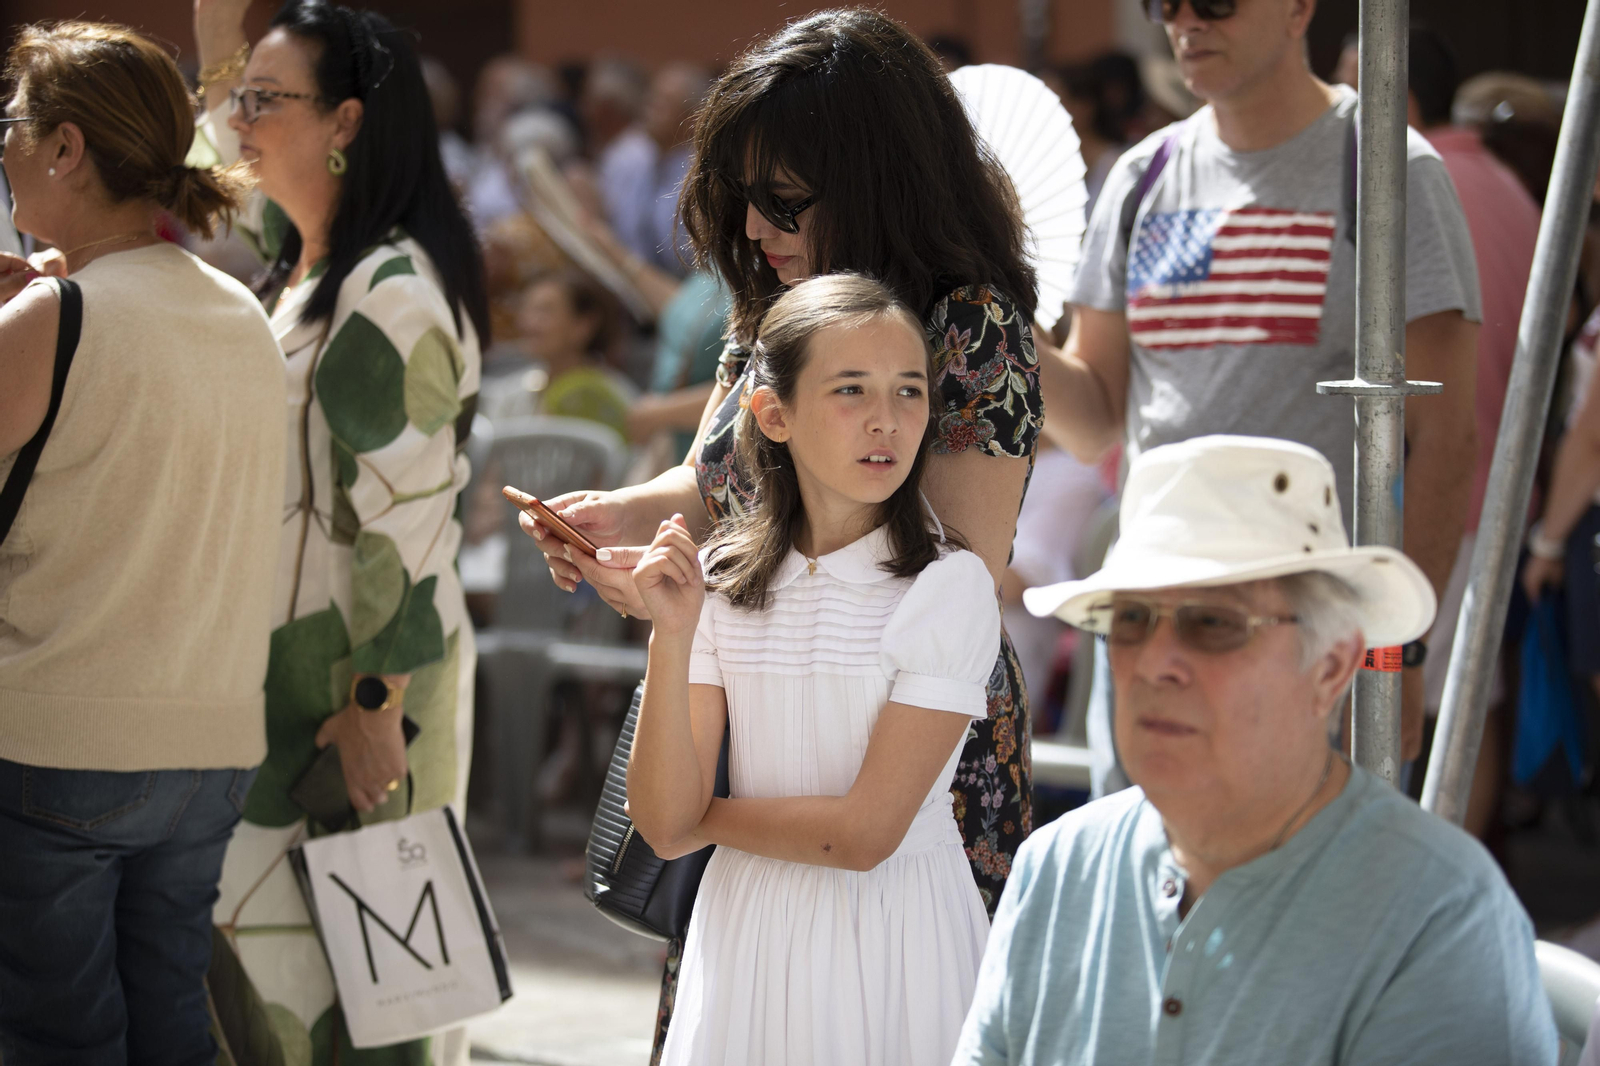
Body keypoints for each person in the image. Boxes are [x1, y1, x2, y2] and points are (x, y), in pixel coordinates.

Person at [520, 10, 1041, 1058]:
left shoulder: (969, 322)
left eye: (783, 199)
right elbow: (720, 477)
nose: (753, 226)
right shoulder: (769, 305)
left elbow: (957, 561)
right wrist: (621, 519)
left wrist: (705, 593)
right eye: (736, 195)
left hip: (905, 728)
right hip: (755, 708)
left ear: (876, 176)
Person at [953, 435, 1558, 1065]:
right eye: (1130, 620)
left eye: (1214, 623)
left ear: (1330, 668)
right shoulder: (1058, 866)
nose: (1156, 664)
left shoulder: (1439, 919)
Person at [1042, 0, 1480, 792]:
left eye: (1212, 0)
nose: (1186, 22)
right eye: (1162, 4)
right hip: (1151, 614)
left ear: (1298, 9)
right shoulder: (1141, 179)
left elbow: (1447, 437)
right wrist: (1005, 333)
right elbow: (1093, 421)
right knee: (1154, 887)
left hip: (1306, 634)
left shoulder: (1386, 167)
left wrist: (1396, 649)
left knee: (1307, 898)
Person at [192, 0, 487, 1059]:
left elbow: (398, 517)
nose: (238, 116)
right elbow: (208, 157)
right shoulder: (312, 266)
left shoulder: (388, 286)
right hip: (294, 681)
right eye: (239, 95)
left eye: (265, 100)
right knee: (289, 979)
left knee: (372, 993)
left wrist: (376, 702)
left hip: (359, 691)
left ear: (347, 124)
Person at [0, 21, 284, 1063]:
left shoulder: (57, 317)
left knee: (56, 1037)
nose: (5, 145)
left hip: (57, 738)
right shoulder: (237, 312)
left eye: (14, 124)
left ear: (66, 147)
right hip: (206, 742)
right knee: (170, 1021)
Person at [631, 274, 998, 1066]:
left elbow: (864, 835)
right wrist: (670, 635)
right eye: (850, 389)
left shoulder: (948, 587)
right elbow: (662, 820)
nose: (885, 420)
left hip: (893, 936)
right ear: (773, 413)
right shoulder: (719, 582)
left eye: (909, 392)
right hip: (746, 933)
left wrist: (707, 820)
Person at [1405, 27, 1540, 835]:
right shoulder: (1518, 191)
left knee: (1397, 706)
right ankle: (1466, 874)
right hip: (1502, 488)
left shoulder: (1415, 186)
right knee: (1468, 710)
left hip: (1431, 493)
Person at [515, 268, 631, 437]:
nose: (528, 323)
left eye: (544, 312)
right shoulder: (522, 387)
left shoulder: (607, 395)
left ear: (583, 325)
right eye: (526, 309)